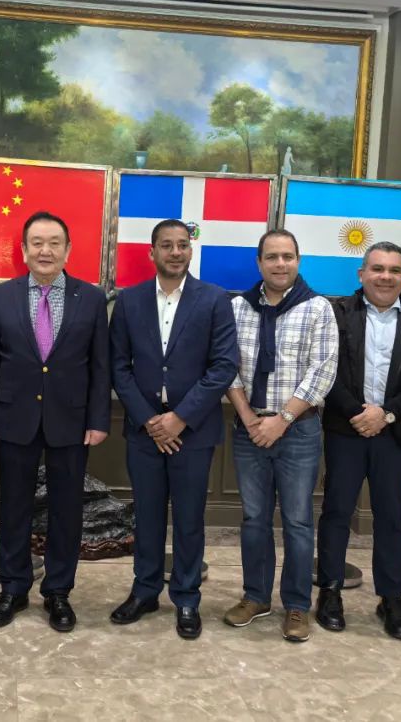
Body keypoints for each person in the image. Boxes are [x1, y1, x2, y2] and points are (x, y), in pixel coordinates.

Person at [0, 211, 111, 633]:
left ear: (68, 250)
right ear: (23, 249)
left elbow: (100, 367)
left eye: (54, 243)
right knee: (14, 507)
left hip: (72, 420)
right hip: (14, 417)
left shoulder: (91, 298)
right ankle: (13, 589)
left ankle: (58, 592)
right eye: (37, 242)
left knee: (66, 511)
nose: (45, 250)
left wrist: (98, 419)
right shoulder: (2, 297)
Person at [108, 219, 238, 639]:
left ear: (190, 251)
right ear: (152, 252)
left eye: (183, 245)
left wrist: (179, 418)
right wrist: (150, 419)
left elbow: (224, 366)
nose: (176, 252)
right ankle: (144, 591)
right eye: (167, 245)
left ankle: (186, 598)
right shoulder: (129, 301)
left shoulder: (214, 299)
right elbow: (118, 366)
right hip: (144, 429)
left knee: (188, 519)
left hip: (193, 432)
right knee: (146, 517)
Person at [316, 242, 401, 640]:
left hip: (395, 431)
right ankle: (330, 591)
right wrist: (357, 412)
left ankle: (391, 597)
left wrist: (385, 413)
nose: (385, 276)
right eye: (377, 268)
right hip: (346, 429)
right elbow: (325, 368)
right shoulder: (337, 313)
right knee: (336, 511)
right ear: (362, 274)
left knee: (390, 516)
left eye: (394, 270)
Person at [224, 229, 338, 643]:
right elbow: (226, 364)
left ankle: (296, 605)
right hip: (249, 429)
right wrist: (249, 418)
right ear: (259, 263)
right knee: (254, 518)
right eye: (271, 257)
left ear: (298, 261)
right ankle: (256, 596)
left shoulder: (318, 308)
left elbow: (322, 371)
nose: (280, 264)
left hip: (298, 431)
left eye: (287, 256)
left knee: (297, 520)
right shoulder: (238, 307)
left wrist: (283, 419)